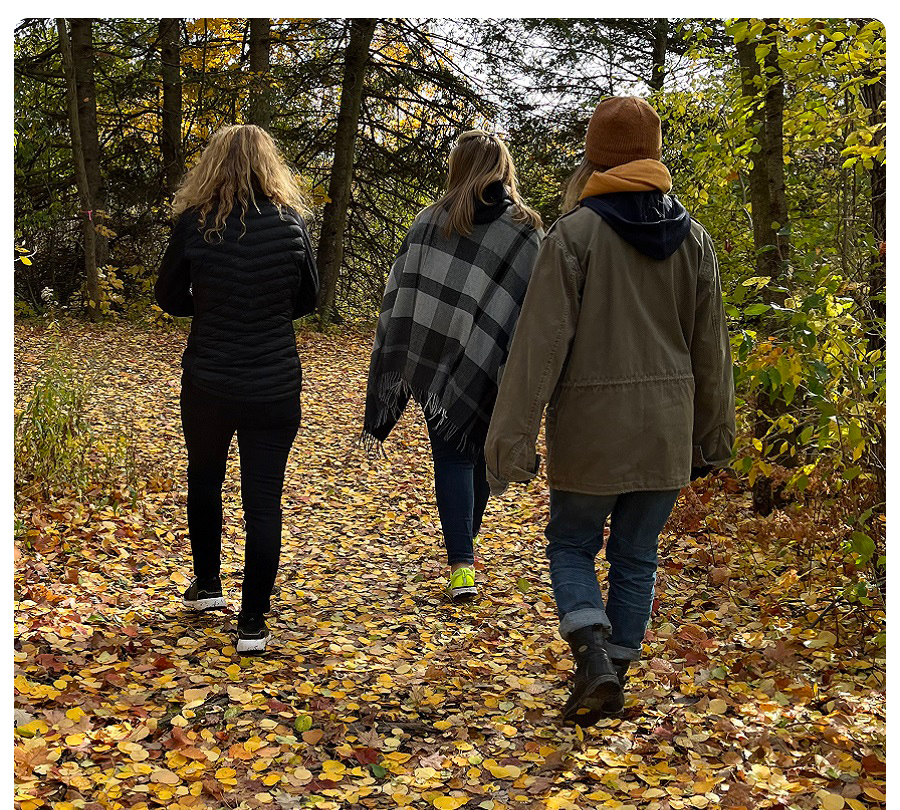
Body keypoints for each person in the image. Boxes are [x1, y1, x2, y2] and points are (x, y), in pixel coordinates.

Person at [485, 97, 735, 725]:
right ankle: (615, 671)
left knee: (571, 544)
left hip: (593, 431)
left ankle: (592, 654)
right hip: (667, 429)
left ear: (594, 154)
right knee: (636, 552)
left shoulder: (574, 234)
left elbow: (539, 346)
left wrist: (510, 440)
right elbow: (712, 349)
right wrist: (714, 435)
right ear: (655, 153)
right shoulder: (694, 240)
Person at [155, 124, 319, 654]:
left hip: (209, 378)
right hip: (274, 381)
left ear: (212, 166)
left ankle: (207, 585)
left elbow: (168, 296)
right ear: (270, 166)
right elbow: (308, 299)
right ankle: (253, 621)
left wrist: (208, 308)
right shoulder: (292, 225)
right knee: (263, 499)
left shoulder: (195, 224)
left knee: (204, 479)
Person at [363, 130, 542, 599]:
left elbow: (401, 296)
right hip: (498, 363)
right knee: (478, 448)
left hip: (437, 359)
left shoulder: (430, 222)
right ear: (504, 168)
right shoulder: (525, 228)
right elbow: (540, 305)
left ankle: (462, 560)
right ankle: (467, 549)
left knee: (452, 454)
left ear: (457, 168)